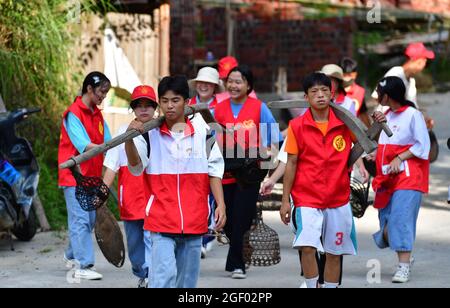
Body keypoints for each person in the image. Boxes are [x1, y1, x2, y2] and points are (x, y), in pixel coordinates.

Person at [280, 72, 385, 288]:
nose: (320, 95)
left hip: (338, 199)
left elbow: (367, 142)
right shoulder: (297, 126)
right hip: (306, 198)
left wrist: (378, 125)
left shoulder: (345, 122)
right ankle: (311, 286)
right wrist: (284, 200)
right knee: (307, 247)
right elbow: (291, 163)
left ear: (332, 94)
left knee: (334, 253)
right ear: (306, 97)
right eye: (314, 92)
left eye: (324, 90)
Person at [125, 76, 226, 288]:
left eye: (175, 100)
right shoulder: (148, 134)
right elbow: (136, 166)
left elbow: (214, 168)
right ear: (159, 104)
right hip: (161, 219)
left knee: (187, 282)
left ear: (187, 102)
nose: (170, 106)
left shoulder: (202, 132)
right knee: (163, 278)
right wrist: (129, 139)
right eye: (165, 101)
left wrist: (221, 204)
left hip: (195, 218)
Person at [214, 65, 283, 279]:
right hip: (224, 171)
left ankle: (238, 264)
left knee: (242, 217)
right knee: (228, 220)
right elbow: (210, 139)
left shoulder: (259, 107)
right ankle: (243, 251)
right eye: (231, 81)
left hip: (250, 173)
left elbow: (273, 138)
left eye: (239, 81)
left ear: (248, 85)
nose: (233, 85)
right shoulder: (219, 108)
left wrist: (267, 170)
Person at [369, 76, 430, 283]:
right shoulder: (386, 115)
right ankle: (404, 251)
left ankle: (403, 266)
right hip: (386, 177)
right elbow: (385, 143)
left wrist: (400, 157)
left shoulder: (413, 115)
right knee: (387, 223)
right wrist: (374, 153)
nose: (377, 96)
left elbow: (423, 146)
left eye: (380, 93)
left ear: (389, 96)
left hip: (408, 177)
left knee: (400, 220)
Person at [58, 71, 112, 281]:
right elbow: (82, 145)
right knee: (81, 220)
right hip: (74, 176)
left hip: (92, 177)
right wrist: (106, 147)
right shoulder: (73, 113)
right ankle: (83, 264)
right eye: (101, 92)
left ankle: (71, 254)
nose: (103, 96)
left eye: (106, 93)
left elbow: (108, 141)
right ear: (89, 89)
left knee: (88, 220)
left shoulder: (97, 115)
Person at [103, 85, 157, 288]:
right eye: (139, 105)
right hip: (132, 200)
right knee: (135, 247)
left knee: (154, 241)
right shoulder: (121, 133)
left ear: (155, 108)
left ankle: (153, 278)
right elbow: (111, 166)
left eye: (148, 105)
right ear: (133, 109)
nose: (144, 110)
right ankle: (142, 272)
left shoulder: (162, 131)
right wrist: (101, 194)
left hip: (155, 199)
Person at [189, 66, 223, 258]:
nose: (203, 86)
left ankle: (206, 237)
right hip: (191, 153)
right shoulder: (188, 104)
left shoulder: (221, 106)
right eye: (201, 82)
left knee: (211, 197)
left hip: (214, 153)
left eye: (208, 84)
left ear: (214, 87)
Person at [372, 42, 435, 108]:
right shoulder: (395, 73)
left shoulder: (411, 81)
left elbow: (413, 107)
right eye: (424, 61)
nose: (424, 65)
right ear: (416, 60)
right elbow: (376, 97)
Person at [340, 57, 370, 127]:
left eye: (350, 75)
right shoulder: (333, 91)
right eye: (345, 75)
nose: (348, 78)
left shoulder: (359, 92)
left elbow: (364, 116)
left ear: (355, 74)